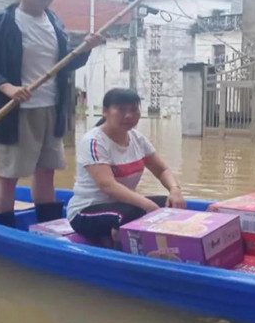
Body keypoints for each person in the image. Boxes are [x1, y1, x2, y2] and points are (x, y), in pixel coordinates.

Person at [0, 0, 104, 227]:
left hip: (52, 109)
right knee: (9, 175)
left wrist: (84, 49)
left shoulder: (55, 24)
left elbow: (64, 65)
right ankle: (5, 230)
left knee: (46, 172)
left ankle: (49, 228)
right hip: (15, 112)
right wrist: (6, 87)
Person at [67, 88, 186, 246]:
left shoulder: (137, 138)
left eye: (133, 110)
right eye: (121, 109)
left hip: (123, 206)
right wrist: (147, 205)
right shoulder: (94, 141)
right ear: (105, 112)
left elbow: (162, 170)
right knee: (130, 213)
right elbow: (108, 185)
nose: (129, 115)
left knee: (171, 204)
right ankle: (118, 246)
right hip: (86, 212)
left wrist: (175, 190)